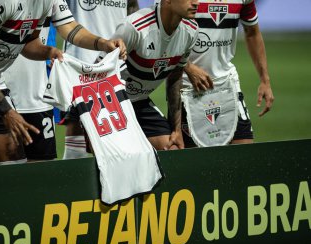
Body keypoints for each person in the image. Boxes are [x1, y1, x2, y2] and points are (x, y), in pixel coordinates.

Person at [0, 0, 126, 164]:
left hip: (1, 84)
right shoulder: (4, 3)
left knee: (16, 166)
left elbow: (32, 40)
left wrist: (50, 51)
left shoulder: (46, 3)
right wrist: (5, 110)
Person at [99, 0, 200, 150]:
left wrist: (176, 130)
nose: (196, 2)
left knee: (173, 148)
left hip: (139, 103)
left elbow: (175, 77)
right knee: (120, 161)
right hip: (108, 104)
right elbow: (100, 71)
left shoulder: (191, 31)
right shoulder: (135, 27)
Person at [179, 0, 274, 147]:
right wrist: (187, 66)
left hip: (228, 84)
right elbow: (164, 34)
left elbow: (252, 32)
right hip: (188, 89)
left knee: (244, 151)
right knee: (197, 161)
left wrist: (265, 80)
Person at [61, 0, 139, 159]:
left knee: (114, 134)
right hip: (80, 65)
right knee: (78, 138)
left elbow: (132, 10)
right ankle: (70, 181)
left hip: (113, 65)